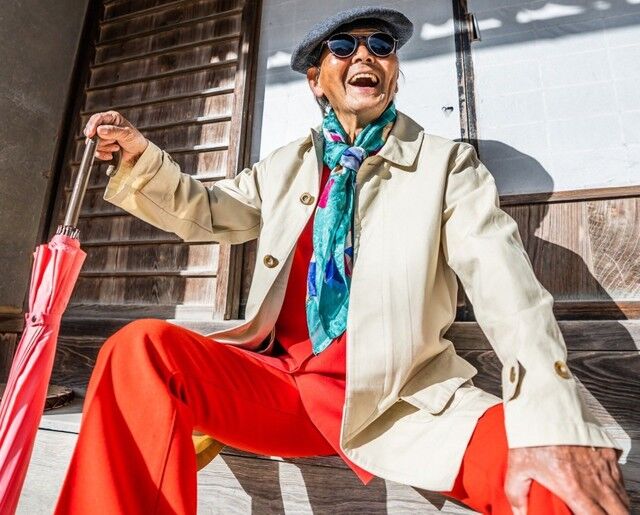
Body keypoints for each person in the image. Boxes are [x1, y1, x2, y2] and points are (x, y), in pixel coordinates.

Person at [54, 6, 630, 515]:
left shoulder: (446, 166)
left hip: (400, 403)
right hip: (282, 390)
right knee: (139, 349)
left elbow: (507, 289)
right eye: (343, 46)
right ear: (316, 80)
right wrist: (140, 156)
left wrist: (552, 417)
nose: (365, 55)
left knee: (559, 486)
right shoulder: (286, 165)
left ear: (394, 73)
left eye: (381, 45)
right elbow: (208, 211)